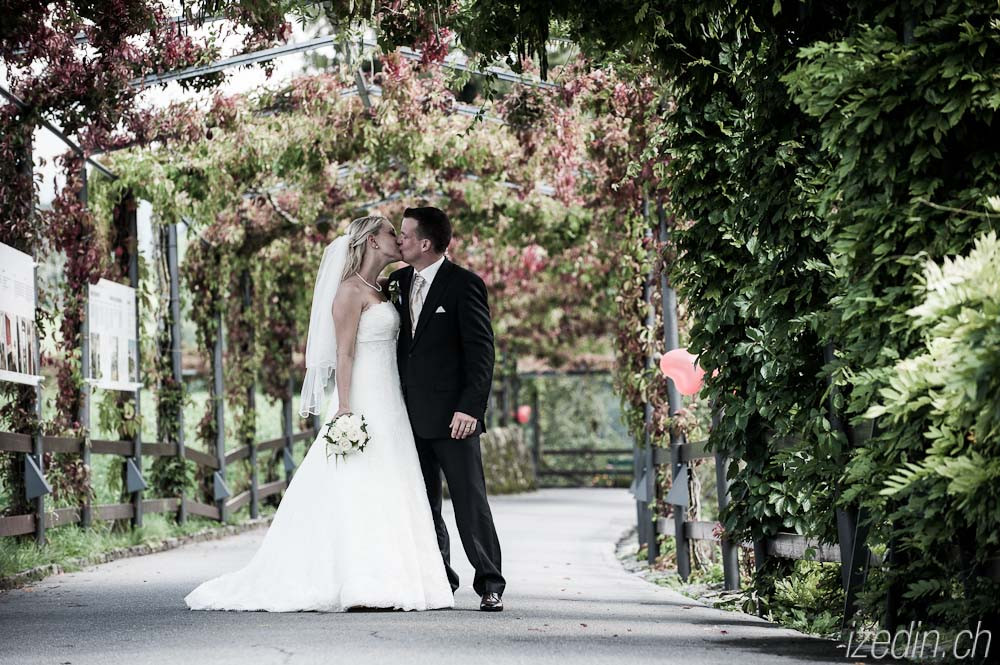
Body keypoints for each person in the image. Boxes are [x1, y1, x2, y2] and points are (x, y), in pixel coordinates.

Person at [184, 215, 453, 612]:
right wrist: (345, 408)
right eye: (390, 233)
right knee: (357, 482)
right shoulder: (349, 292)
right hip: (362, 396)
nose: (399, 239)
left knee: (391, 482)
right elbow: (344, 353)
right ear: (372, 242)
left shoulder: (382, 289)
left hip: (391, 400)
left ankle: (398, 576)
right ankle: (359, 579)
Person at [387, 206, 506, 612]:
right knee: (423, 505)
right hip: (406, 416)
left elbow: (481, 352)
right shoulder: (396, 282)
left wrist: (470, 408)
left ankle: (490, 582)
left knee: (470, 501)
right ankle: (441, 579)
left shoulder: (464, 284)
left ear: (425, 243)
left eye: (404, 234)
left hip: (455, 419)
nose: (398, 240)